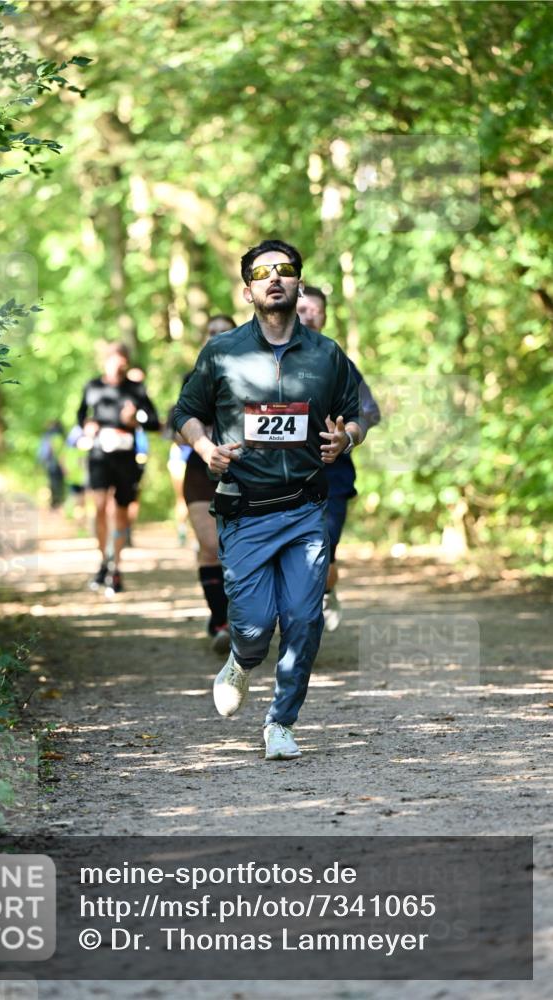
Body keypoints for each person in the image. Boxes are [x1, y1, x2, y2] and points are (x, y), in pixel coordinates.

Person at [172, 239, 361, 761]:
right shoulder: (222, 352)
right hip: (245, 510)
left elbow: (356, 413)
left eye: (285, 270)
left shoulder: (326, 355)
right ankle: (240, 658)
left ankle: (281, 721)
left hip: (304, 508)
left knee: (304, 619)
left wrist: (347, 438)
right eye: (262, 272)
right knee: (254, 627)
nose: (274, 278)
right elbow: (184, 412)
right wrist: (206, 447)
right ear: (249, 289)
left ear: (298, 281)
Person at [297, 286, 381, 630]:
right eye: (301, 309)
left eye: (315, 309)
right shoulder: (265, 361)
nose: (307, 315)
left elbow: (369, 411)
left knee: (323, 553)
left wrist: (345, 435)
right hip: (280, 478)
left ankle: (324, 593)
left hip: (332, 478)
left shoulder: (338, 361)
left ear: (326, 316)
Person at [77, 342, 160, 595]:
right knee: (100, 506)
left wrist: (136, 419)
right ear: (105, 361)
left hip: (126, 456)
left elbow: (154, 421)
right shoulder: (93, 387)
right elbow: (81, 415)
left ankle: (116, 567)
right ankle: (104, 560)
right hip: (100, 454)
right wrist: (88, 425)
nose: (119, 364)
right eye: (114, 359)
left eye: (123, 360)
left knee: (122, 512)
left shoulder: (136, 390)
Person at [177, 314, 236, 654]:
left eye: (223, 332)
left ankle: (241, 618)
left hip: (244, 471)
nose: (216, 337)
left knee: (238, 548)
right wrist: (200, 438)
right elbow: (177, 426)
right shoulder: (193, 377)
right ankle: (220, 620)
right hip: (200, 472)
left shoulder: (255, 374)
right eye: (210, 333)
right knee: (210, 544)